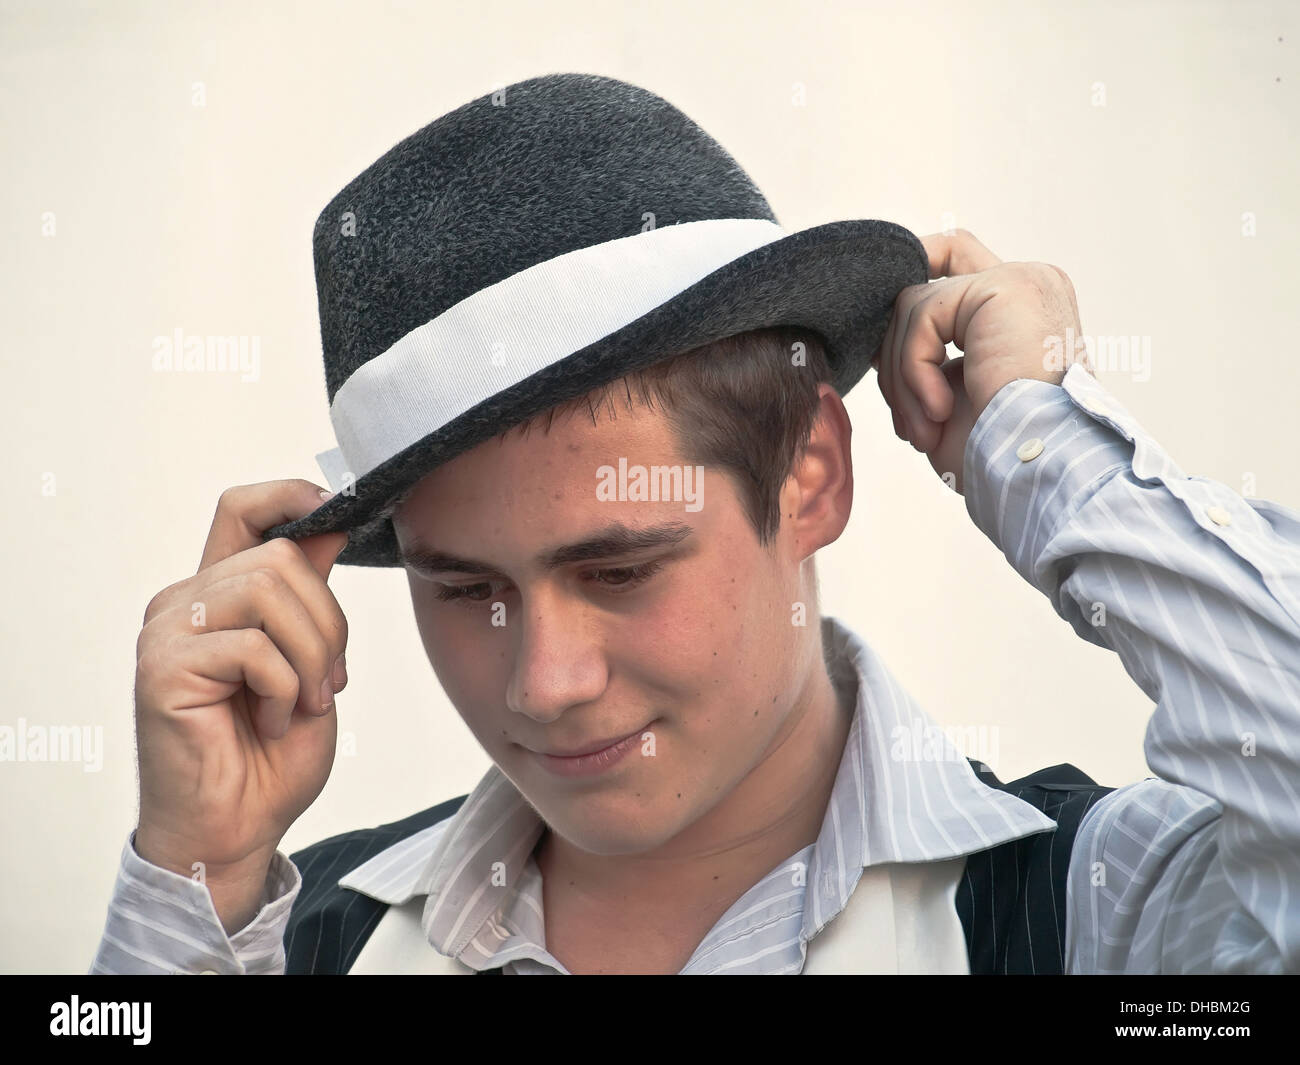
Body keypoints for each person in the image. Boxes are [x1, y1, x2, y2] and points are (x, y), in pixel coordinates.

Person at [90, 73, 1300, 975]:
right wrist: (195, 881)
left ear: (814, 473)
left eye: (617, 567)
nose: (545, 684)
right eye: (464, 591)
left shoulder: (1099, 913)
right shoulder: (305, 937)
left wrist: (1046, 451)